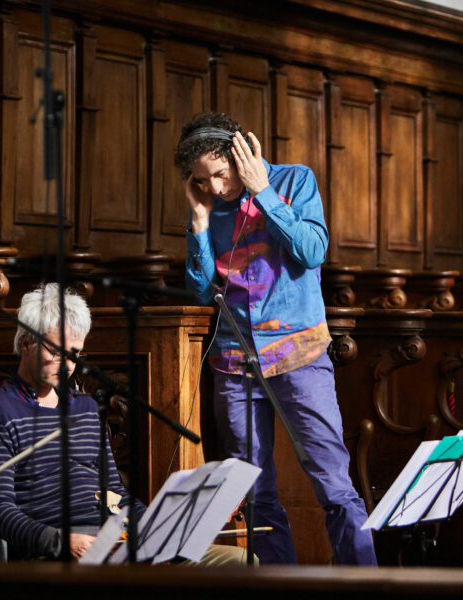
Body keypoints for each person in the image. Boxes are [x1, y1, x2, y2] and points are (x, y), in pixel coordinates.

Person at [177, 112, 377, 565]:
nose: (216, 187)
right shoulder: (208, 204)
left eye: (222, 174)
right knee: (256, 496)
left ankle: (364, 583)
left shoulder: (294, 180)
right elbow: (205, 290)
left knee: (333, 486)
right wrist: (200, 221)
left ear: (242, 153)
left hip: (299, 355)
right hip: (234, 365)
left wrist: (261, 190)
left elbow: (311, 250)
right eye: (202, 180)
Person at [0, 283, 247, 564]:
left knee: (239, 562)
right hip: (57, 552)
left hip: (117, 541)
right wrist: (59, 541)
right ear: (27, 343)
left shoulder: (85, 408)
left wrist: (157, 526)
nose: (67, 364)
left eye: (74, 354)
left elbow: (115, 494)